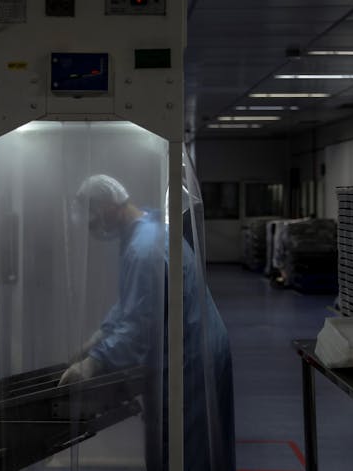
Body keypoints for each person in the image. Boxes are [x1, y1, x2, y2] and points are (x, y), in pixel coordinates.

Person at [60, 174, 236, 471]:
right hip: (194, 343)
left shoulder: (144, 249)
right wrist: (100, 335)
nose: (93, 229)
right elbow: (135, 301)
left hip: (189, 358)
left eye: (93, 220)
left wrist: (94, 363)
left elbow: (139, 327)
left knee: (185, 449)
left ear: (107, 206)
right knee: (190, 443)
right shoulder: (148, 230)